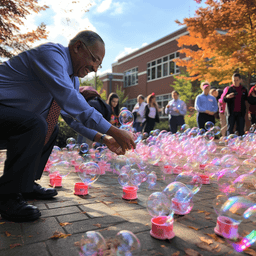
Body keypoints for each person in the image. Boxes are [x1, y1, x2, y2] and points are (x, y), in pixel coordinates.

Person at [0, 30, 135, 222]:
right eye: (94, 59)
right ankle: (7, 196)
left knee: (49, 126)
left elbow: (72, 117)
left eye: (99, 64)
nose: (96, 68)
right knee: (36, 123)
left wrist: (105, 138)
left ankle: (26, 185)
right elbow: (73, 102)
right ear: (78, 47)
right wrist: (113, 130)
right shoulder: (51, 55)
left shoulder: (72, 78)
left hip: (10, 120)